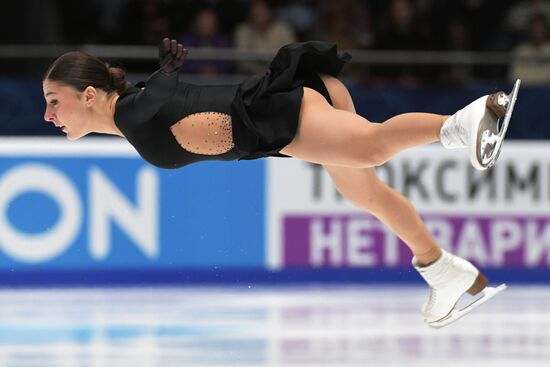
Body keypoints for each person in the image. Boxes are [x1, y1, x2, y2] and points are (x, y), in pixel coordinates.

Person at [42, 38, 515, 328]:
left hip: (273, 113)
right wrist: (163, 77)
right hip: (277, 116)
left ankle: (468, 120)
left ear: (88, 95)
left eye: (54, 101)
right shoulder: (133, 111)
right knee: (364, 192)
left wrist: (166, 75)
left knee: (369, 146)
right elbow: (150, 103)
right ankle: (447, 274)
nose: (48, 114)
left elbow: (145, 105)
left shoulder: (129, 110)